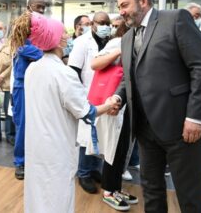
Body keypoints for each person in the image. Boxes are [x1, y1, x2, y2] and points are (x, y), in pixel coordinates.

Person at [111, 0, 201, 213]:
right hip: (146, 130)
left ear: (143, 1)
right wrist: (118, 99)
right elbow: (129, 78)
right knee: (151, 189)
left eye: (125, 5)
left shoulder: (176, 19)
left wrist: (195, 117)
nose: (121, 11)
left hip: (182, 126)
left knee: (188, 194)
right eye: (119, 7)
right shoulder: (127, 38)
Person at [24, 12, 112, 213]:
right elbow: (87, 112)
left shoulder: (33, 69)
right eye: (64, 33)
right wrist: (109, 104)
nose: (67, 36)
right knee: (57, 197)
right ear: (57, 40)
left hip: (37, 146)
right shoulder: (64, 74)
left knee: (37, 194)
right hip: (57, 148)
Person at [90, 22, 138, 211]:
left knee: (123, 148)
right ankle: (108, 190)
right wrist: (120, 52)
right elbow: (95, 63)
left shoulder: (139, 42)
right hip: (114, 104)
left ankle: (116, 187)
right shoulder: (117, 42)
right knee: (114, 148)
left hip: (130, 106)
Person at [68, 11, 111, 194]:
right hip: (87, 94)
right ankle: (84, 173)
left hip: (104, 94)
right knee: (86, 136)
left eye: (107, 22)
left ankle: (95, 170)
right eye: (101, 22)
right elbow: (74, 71)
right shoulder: (81, 42)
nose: (105, 26)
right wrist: (79, 96)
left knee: (100, 135)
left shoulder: (110, 41)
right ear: (93, 24)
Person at [9, 11, 43, 180]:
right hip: (22, 89)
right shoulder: (24, 45)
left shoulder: (29, 43)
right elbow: (44, 55)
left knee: (35, 125)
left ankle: (31, 158)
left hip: (32, 87)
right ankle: (20, 162)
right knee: (22, 126)